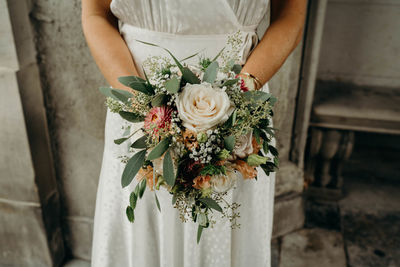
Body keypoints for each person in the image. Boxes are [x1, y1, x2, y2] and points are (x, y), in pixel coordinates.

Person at [82, 0, 306, 266]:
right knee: (143, 225)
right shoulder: (143, 113)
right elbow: (96, 13)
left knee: (221, 226)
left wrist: (236, 101)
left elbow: (291, 14)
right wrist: (144, 108)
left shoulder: (238, 109)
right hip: (142, 114)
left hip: (238, 111)